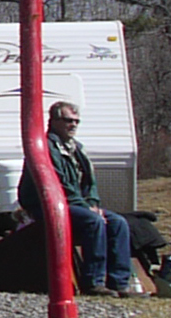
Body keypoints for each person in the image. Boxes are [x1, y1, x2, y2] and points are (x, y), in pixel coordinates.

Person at [39, 100, 137, 297]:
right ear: (54, 121)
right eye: (68, 120)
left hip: (77, 204)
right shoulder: (46, 148)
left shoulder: (76, 148)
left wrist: (92, 203)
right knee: (94, 221)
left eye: (76, 121)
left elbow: (89, 182)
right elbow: (58, 184)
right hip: (51, 205)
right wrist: (86, 207)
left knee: (118, 223)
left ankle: (120, 283)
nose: (73, 125)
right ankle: (93, 282)